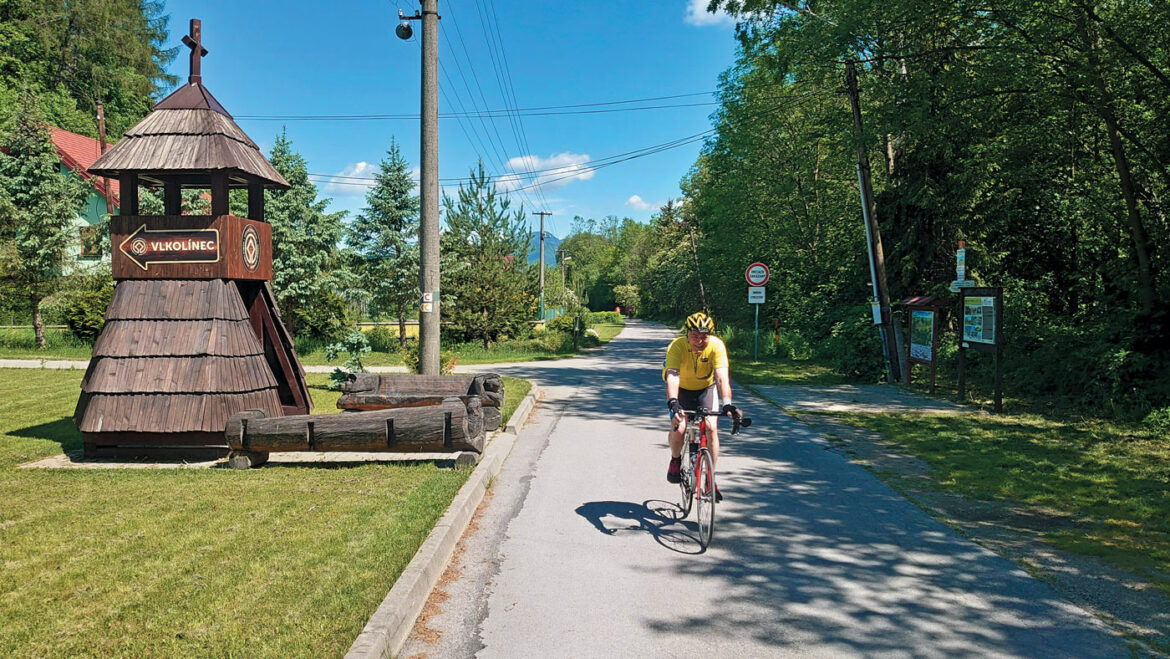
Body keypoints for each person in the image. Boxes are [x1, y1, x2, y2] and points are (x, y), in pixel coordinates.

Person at [662, 311, 742, 501]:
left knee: (711, 428)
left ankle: (710, 479)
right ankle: (675, 459)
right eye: (694, 336)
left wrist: (727, 403)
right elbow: (672, 375)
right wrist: (673, 402)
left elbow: (722, 377)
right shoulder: (677, 346)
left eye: (704, 337)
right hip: (682, 390)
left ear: (710, 335)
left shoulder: (716, 346)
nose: (699, 341)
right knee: (680, 428)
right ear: (687, 334)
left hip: (706, 389)